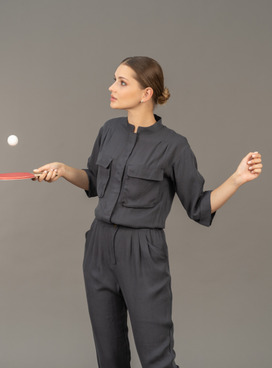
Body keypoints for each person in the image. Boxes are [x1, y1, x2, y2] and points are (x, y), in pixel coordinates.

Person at [34, 56, 262, 368]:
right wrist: (62, 169)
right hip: (99, 247)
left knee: (157, 359)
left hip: (142, 251)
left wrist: (237, 180)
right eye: (115, 79)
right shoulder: (109, 131)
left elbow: (198, 206)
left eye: (122, 82)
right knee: (109, 357)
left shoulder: (174, 147)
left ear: (146, 94)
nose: (112, 87)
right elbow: (94, 181)